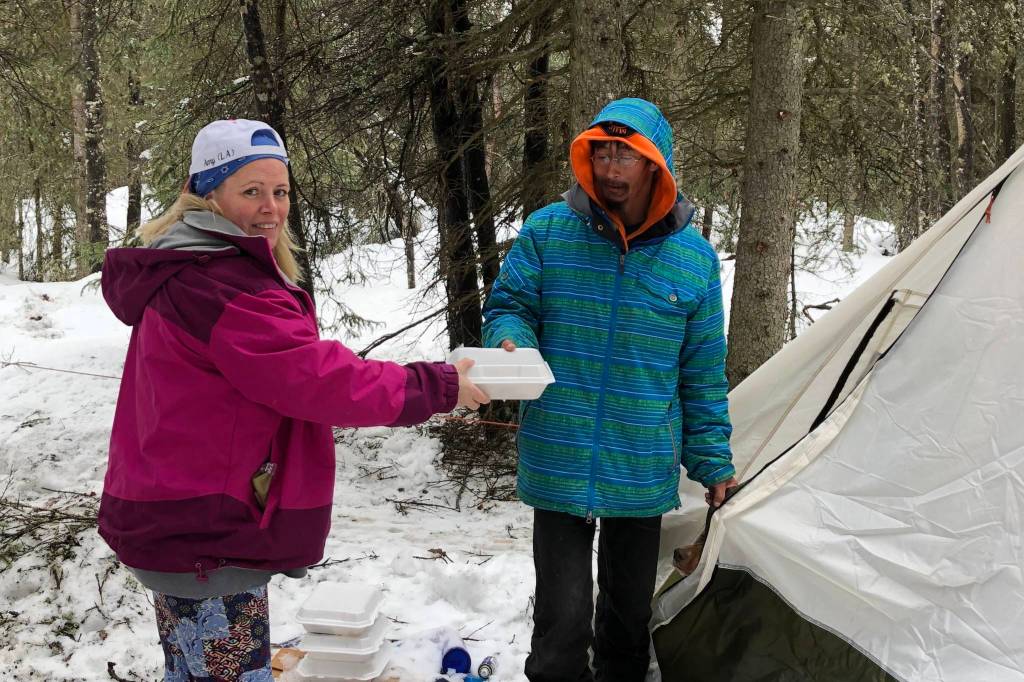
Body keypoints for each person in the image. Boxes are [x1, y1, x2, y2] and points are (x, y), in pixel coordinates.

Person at [99, 119, 489, 681]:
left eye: (279, 191)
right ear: (208, 194)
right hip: (207, 531)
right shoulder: (222, 286)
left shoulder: (188, 267)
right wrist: (437, 386)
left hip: (179, 522)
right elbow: (320, 379)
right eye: (251, 191)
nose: (271, 208)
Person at [482, 98, 738, 681]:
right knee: (562, 623)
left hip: (641, 464)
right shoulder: (549, 232)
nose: (611, 167)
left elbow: (701, 375)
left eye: (627, 154)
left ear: (656, 166)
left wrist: (712, 460)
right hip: (559, 453)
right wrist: (510, 339)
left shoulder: (693, 262)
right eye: (603, 152)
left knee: (624, 628)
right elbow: (510, 306)